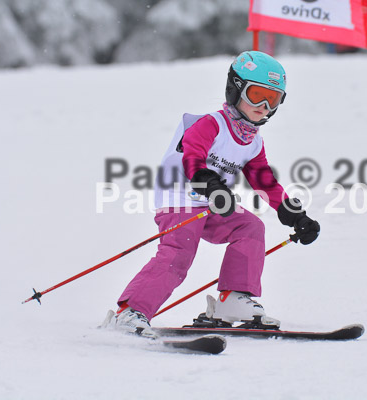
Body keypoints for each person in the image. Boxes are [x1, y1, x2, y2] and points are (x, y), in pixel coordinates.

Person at [110, 51, 320, 338]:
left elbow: (264, 180)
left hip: (213, 203)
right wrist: (209, 185)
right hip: (181, 197)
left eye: (272, 100)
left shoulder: (252, 140)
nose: (263, 106)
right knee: (178, 255)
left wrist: (295, 215)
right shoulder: (211, 124)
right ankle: (130, 312)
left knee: (250, 227)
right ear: (235, 89)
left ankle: (232, 299)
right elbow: (193, 157)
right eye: (257, 94)